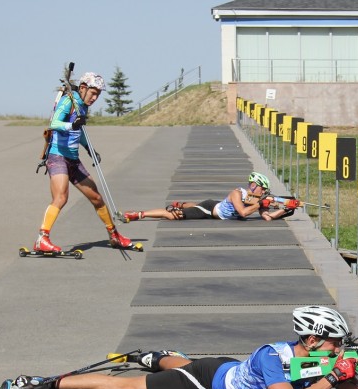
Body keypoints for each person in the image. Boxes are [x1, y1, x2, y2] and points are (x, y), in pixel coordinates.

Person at [0, 305, 358, 389]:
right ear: (312, 340)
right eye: (334, 344)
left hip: (227, 364)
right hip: (210, 382)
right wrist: (334, 375)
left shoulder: (323, 360)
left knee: (177, 361)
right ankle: (45, 382)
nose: (340, 350)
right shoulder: (274, 360)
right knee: (122, 387)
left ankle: (156, 356)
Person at [34, 72, 135, 254]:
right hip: (57, 156)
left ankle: (114, 236)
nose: (95, 98)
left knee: (96, 197)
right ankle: (42, 239)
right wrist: (71, 125)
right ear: (82, 88)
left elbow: (79, 133)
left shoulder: (82, 106)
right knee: (61, 197)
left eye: (98, 94)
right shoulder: (68, 102)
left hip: (73, 158)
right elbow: (54, 123)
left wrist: (90, 149)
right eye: (93, 93)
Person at [123, 172, 295, 222]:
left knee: (192, 206)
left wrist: (286, 209)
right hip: (210, 210)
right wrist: (259, 205)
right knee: (174, 215)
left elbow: (267, 218)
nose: (264, 193)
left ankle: (182, 203)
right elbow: (243, 213)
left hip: (215, 205)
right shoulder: (237, 193)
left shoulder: (256, 200)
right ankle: (139, 214)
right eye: (262, 189)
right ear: (254, 186)